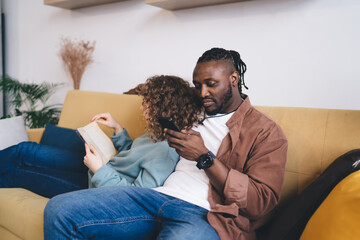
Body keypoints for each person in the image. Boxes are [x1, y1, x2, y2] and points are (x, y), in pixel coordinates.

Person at [44, 48, 288, 240]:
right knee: (60, 210)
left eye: (211, 84)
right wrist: (120, 130)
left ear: (234, 78)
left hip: (205, 214)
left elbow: (262, 202)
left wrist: (205, 158)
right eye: (197, 85)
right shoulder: (193, 112)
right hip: (154, 197)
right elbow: (159, 103)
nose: (202, 93)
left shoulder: (265, 132)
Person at [0, 75, 201, 198]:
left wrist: (99, 169)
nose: (142, 107)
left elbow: (136, 195)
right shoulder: (158, 132)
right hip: (99, 170)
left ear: (162, 107)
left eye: (147, 102)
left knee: (16, 173)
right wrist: (118, 129)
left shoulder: (168, 151)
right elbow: (132, 158)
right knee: (24, 150)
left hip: (96, 188)